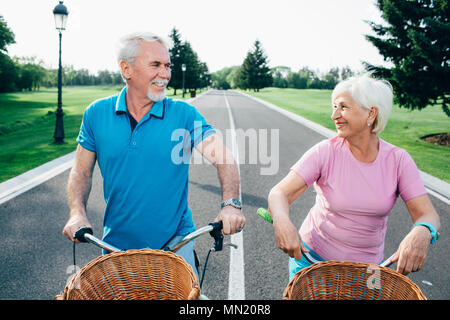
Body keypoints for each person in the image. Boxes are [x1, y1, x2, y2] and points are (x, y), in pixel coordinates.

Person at [62, 32, 245, 275]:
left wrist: (230, 204)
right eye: (156, 65)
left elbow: (224, 158)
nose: (166, 74)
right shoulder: (96, 113)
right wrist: (77, 213)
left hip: (175, 245)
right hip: (115, 248)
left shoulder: (184, 115)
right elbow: (81, 171)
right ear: (127, 69)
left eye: (168, 66)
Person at [268, 74, 440, 279]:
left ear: (371, 113)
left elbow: (428, 215)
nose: (334, 116)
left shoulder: (398, 160)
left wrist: (422, 231)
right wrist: (282, 221)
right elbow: (279, 193)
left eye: (343, 107)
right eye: (334, 107)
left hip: (370, 271)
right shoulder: (325, 151)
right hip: (312, 260)